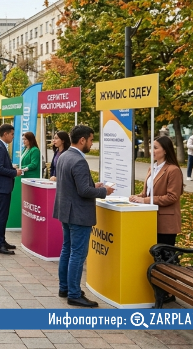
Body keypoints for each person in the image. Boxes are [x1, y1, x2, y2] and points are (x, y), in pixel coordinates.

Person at [53, 125, 113, 307]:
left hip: (66, 211)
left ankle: (65, 288)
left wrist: (94, 185)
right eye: (90, 140)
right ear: (82, 140)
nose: (91, 144)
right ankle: (74, 293)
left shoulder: (64, 156)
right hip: (78, 214)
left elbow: (74, 185)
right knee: (77, 254)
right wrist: (104, 191)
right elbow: (83, 190)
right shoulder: (78, 160)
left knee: (67, 250)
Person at [129, 136, 184, 245]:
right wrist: (137, 197)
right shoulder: (152, 168)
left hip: (166, 223)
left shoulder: (173, 170)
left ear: (165, 150)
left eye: (155, 148)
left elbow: (172, 197)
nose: (151, 151)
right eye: (151, 147)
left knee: (165, 256)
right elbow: (147, 192)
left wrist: (145, 200)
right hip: (150, 218)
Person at [0, 124, 22, 254]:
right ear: (5, 134)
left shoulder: (1, 146)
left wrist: (11, 167)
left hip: (3, 186)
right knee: (1, 216)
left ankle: (2, 241)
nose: (13, 137)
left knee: (3, 215)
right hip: (1, 186)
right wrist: (14, 173)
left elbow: (1, 166)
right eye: (12, 134)